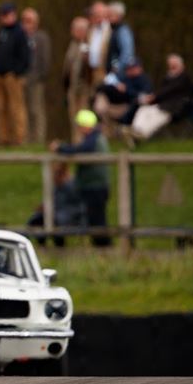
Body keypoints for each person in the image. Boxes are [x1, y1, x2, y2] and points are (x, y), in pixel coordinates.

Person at [50, 109, 111, 247]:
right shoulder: (96, 138)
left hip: (95, 187)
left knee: (98, 221)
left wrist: (62, 148)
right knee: (95, 219)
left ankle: (104, 247)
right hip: (93, 186)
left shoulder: (94, 139)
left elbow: (81, 149)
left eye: (79, 126)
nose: (78, 129)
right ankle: (101, 247)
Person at [127, 54, 193, 143]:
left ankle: (143, 134)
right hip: (162, 105)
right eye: (170, 65)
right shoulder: (167, 78)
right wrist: (151, 99)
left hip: (176, 109)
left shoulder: (185, 78)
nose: (172, 67)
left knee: (158, 115)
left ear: (181, 65)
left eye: (174, 65)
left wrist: (153, 97)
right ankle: (134, 132)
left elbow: (169, 90)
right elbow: (163, 92)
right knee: (143, 110)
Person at [0, 3, 31, 146]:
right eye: (3, 15)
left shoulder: (20, 32)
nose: (6, 18)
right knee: (0, 108)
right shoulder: (2, 32)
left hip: (12, 76)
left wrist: (16, 72)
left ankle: (20, 138)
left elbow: (25, 56)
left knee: (16, 107)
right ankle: (4, 137)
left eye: (8, 14)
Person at [27, 163, 85, 247]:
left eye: (55, 173)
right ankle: (40, 245)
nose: (53, 176)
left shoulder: (72, 185)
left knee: (55, 220)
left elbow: (75, 206)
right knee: (36, 219)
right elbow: (52, 201)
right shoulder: (56, 186)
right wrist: (43, 207)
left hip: (70, 215)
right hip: (56, 213)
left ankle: (60, 246)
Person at [92, 59, 152, 135]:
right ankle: (108, 130)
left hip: (128, 108)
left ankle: (124, 131)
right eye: (129, 68)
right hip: (113, 104)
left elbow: (144, 96)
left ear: (140, 68)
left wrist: (126, 90)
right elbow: (103, 87)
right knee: (101, 98)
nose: (131, 70)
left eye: (133, 68)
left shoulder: (144, 80)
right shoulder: (122, 78)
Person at [21, 7, 51, 145]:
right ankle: (26, 139)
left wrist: (40, 77)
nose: (26, 23)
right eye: (24, 20)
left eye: (29, 20)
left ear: (36, 22)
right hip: (21, 79)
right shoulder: (21, 37)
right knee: (24, 111)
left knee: (36, 110)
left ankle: (38, 139)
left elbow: (45, 60)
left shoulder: (41, 37)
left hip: (36, 80)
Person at [61, 16, 92, 141]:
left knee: (84, 117)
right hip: (72, 88)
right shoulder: (72, 45)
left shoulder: (88, 45)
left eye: (78, 29)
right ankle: (76, 142)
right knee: (73, 117)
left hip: (83, 88)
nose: (75, 31)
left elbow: (89, 70)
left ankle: (84, 143)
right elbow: (67, 69)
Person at [105, 1, 136, 79]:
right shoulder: (113, 29)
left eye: (111, 15)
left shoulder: (123, 31)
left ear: (119, 16)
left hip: (120, 74)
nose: (108, 17)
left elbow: (127, 52)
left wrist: (118, 68)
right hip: (111, 71)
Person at [86, 0, 111, 85]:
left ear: (106, 14)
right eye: (95, 13)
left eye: (100, 13)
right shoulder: (91, 29)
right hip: (92, 72)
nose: (97, 16)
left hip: (105, 71)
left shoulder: (110, 30)